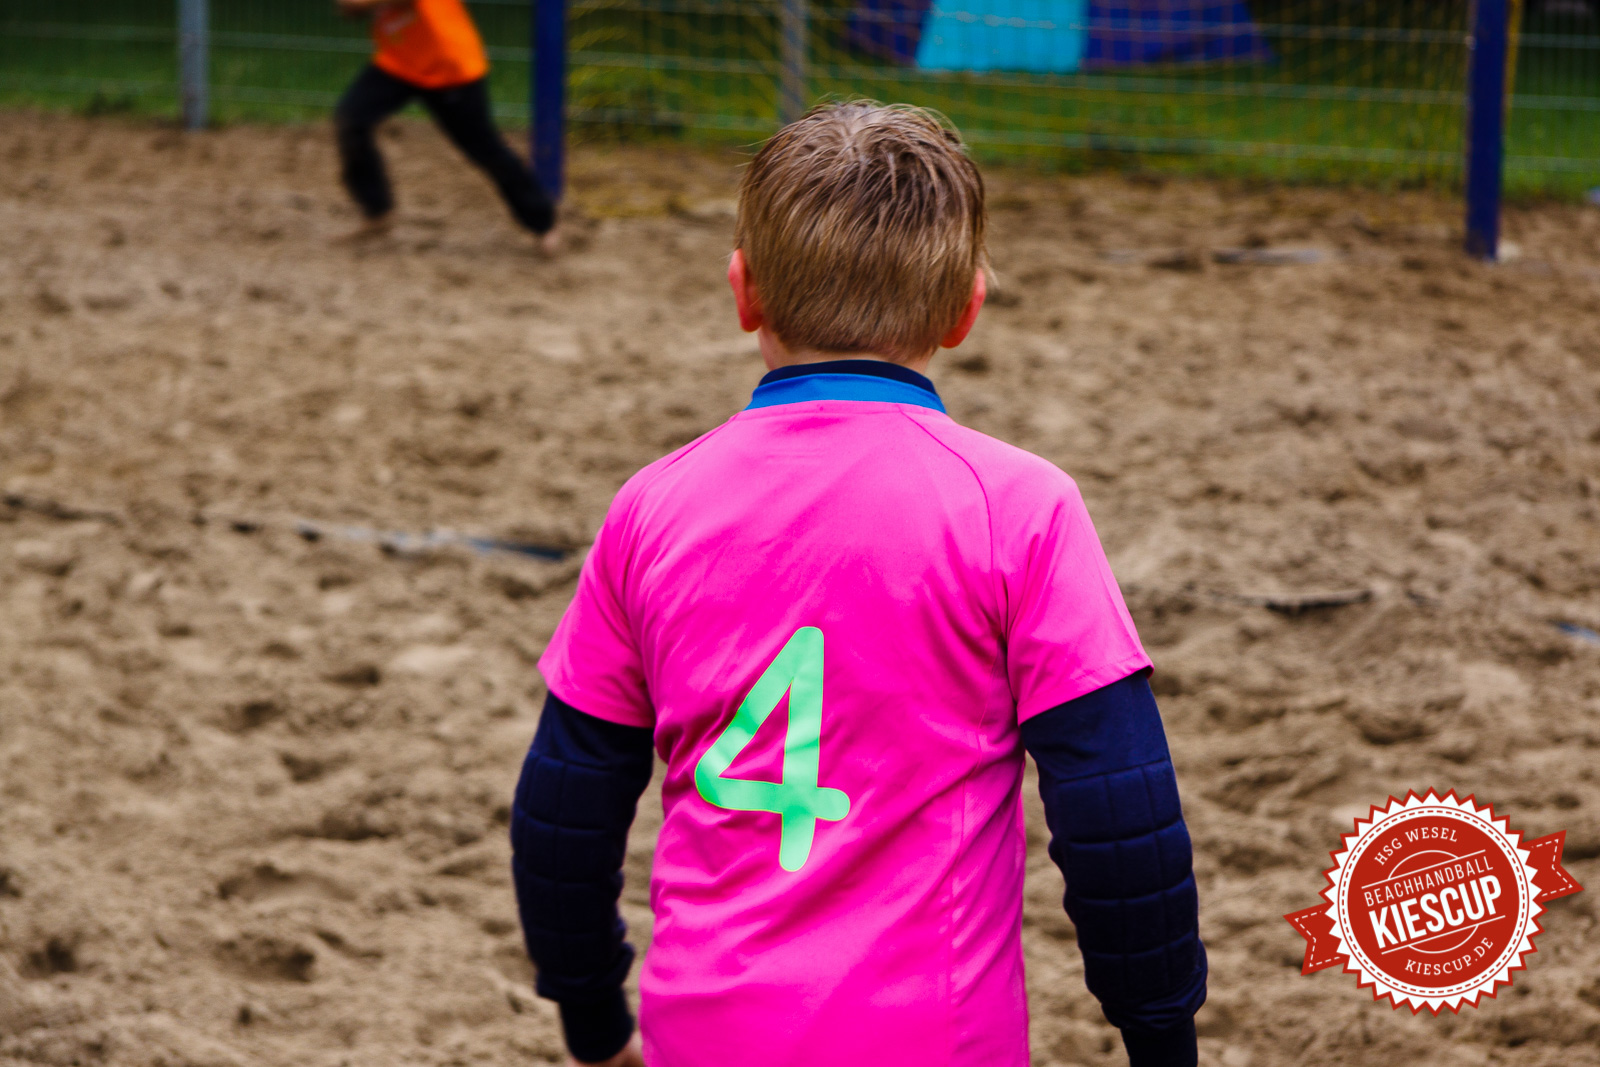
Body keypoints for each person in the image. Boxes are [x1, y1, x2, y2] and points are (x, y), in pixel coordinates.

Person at [510, 102, 1206, 1067]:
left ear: (743, 290)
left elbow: (565, 809)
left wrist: (592, 1020)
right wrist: (1161, 1035)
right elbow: (1118, 810)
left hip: (703, 1033)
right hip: (936, 1038)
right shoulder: (1022, 507)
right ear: (967, 307)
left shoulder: (651, 506)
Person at [332, 0, 558, 252]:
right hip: (400, 62)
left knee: (486, 150)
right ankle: (377, 211)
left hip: (451, 67)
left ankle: (543, 224)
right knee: (351, 120)